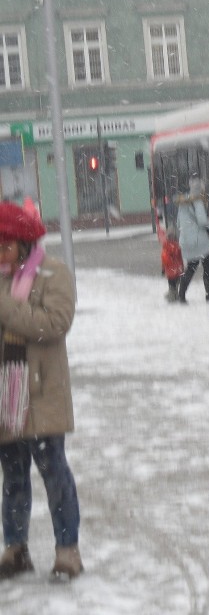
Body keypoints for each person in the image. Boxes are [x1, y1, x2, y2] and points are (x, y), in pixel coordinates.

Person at [0, 202, 84, 579]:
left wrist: (4, 307)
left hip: (42, 393)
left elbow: (54, 324)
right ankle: (15, 549)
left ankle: (68, 552)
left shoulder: (53, 274)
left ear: (25, 242)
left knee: (54, 474)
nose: (0, 253)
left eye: (6, 245)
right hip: (6, 397)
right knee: (13, 478)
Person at [176, 176, 209, 303]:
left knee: (191, 268)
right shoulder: (197, 200)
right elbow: (202, 221)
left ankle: (181, 294)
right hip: (200, 241)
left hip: (187, 241)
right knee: (208, 267)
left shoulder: (183, 201)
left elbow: (178, 223)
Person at [160, 225, 183, 303]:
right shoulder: (178, 245)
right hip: (176, 269)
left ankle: (172, 295)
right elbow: (180, 258)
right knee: (175, 283)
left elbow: (164, 259)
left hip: (170, 269)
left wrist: (163, 269)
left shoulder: (166, 246)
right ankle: (174, 294)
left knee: (172, 284)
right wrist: (181, 268)